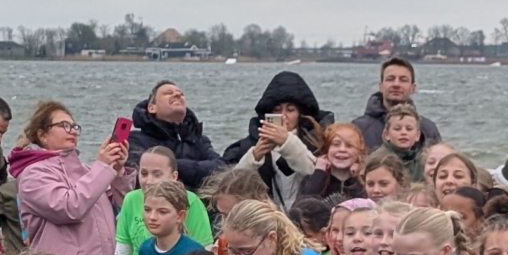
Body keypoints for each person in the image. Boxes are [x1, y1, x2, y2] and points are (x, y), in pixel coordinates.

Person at [7, 101, 127, 255]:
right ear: (42, 135)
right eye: (64, 125)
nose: (71, 130)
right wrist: (102, 166)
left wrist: (117, 172)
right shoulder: (33, 174)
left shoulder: (88, 172)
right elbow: (70, 208)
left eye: (74, 126)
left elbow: (124, 207)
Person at [114, 145, 215, 255]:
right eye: (143, 173)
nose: (148, 181)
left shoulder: (191, 202)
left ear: (174, 176)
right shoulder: (131, 199)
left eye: (157, 174)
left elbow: (205, 254)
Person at [226, 71, 330, 206]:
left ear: (300, 114)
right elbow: (233, 187)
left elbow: (313, 174)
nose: (283, 115)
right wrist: (254, 156)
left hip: (304, 216)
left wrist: (287, 142)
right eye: (277, 110)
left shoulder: (316, 141)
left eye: (290, 110)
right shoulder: (252, 143)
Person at [124, 81, 225, 188]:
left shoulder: (198, 139)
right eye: (168, 93)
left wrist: (171, 166)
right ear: (152, 107)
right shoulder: (134, 139)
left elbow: (221, 168)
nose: (177, 95)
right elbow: (139, 175)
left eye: (181, 94)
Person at [351, 56, 441, 150]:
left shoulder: (427, 129)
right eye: (390, 79)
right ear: (381, 86)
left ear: (412, 88)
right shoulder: (359, 128)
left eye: (403, 80)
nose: (396, 84)